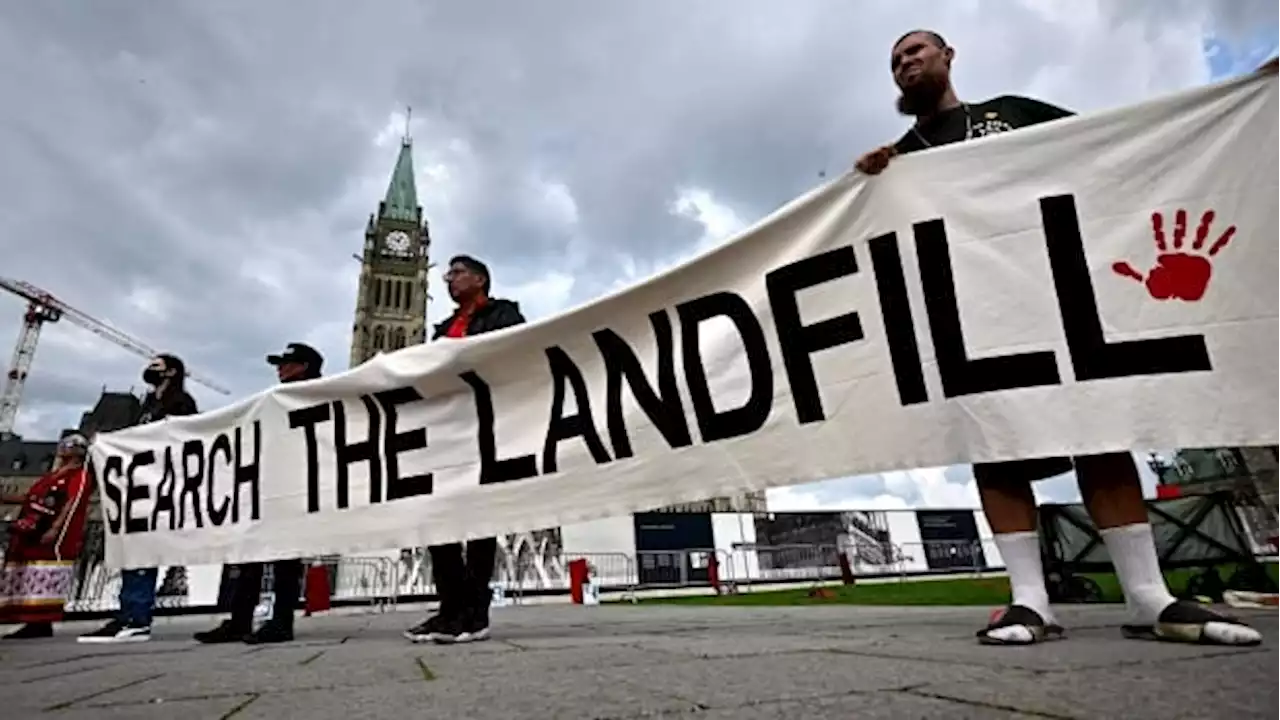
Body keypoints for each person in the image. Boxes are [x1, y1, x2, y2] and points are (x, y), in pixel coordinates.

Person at [854, 30, 1264, 647]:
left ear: (948, 55)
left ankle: (1150, 596)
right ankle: (1030, 601)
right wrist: (870, 182)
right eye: (894, 61)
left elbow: (1114, 142)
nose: (905, 64)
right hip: (971, 312)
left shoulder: (1012, 114)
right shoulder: (902, 159)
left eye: (915, 51)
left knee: (1096, 429)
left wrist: (1240, 94)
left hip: (1054, 291)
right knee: (995, 441)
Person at [404, 255, 525, 645]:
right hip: (445, 430)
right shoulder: (442, 329)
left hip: (485, 427)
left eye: (456, 272)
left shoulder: (505, 314)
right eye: (447, 274)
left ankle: (475, 611)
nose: (448, 279)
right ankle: (451, 607)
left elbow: (515, 359)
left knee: (478, 520)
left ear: (480, 278)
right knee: (439, 519)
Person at [194, 343, 322, 645]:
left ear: (303, 366)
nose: (279, 369)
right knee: (251, 554)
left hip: (296, 488)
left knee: (285, 559)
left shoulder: (314, 395)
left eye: (286, 363)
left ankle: (280, 621)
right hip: (267, 485)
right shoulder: (274, 399)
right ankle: (240, 620)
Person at [79, 354, 198, 644]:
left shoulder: (181, 402)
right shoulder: (147, 405)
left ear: (172, 371)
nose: (150, 369)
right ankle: (126, 613)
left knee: (144, 551)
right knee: (131, 550)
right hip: (136, 485)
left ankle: (137, 616)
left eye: (157, 365)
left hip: (159, 485)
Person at [0, 434, 93, 640]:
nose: (62, 448)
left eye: (68, 445)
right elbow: (32, 497)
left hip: (53, 533)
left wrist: (56, 528)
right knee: (29, 572)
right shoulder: (52, 475)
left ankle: (40, 621)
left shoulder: (80, 475)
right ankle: (29, 618)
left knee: (44, 572)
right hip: (33, 530)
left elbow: (72, 503)